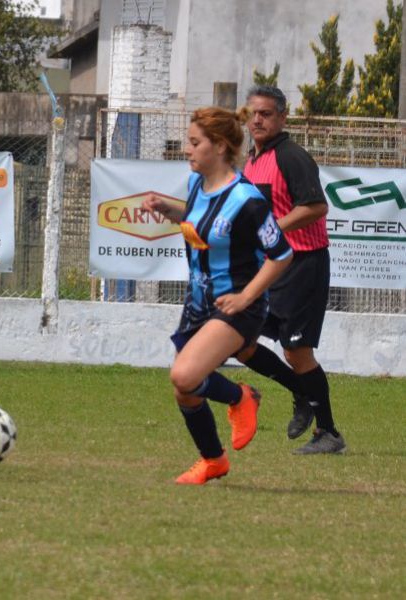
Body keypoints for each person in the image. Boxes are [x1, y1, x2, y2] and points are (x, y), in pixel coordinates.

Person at [143, 106, 292, 485]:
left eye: (195, 143)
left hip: (238, 306)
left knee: (185, 374)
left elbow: (282, 255)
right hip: (199, 304)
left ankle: (242, 397)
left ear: (221, 146)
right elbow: (202, 222)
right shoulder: (197, 186)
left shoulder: (248, 199)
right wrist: (169, 210)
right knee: (185, 390)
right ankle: (213, 461)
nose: (187, 150)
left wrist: (246, 298)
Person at [236, 85, 345, 455]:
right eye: (253, 113)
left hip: (304, 265)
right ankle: (300, 390)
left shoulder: (291, 157)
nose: (257, 120)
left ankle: (329, 433)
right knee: (241, 340)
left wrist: (273, 228)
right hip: (272, 267)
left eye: (266, 113)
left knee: (297, 353)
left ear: (283, 117)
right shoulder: (252, 160)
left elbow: (315, 207)